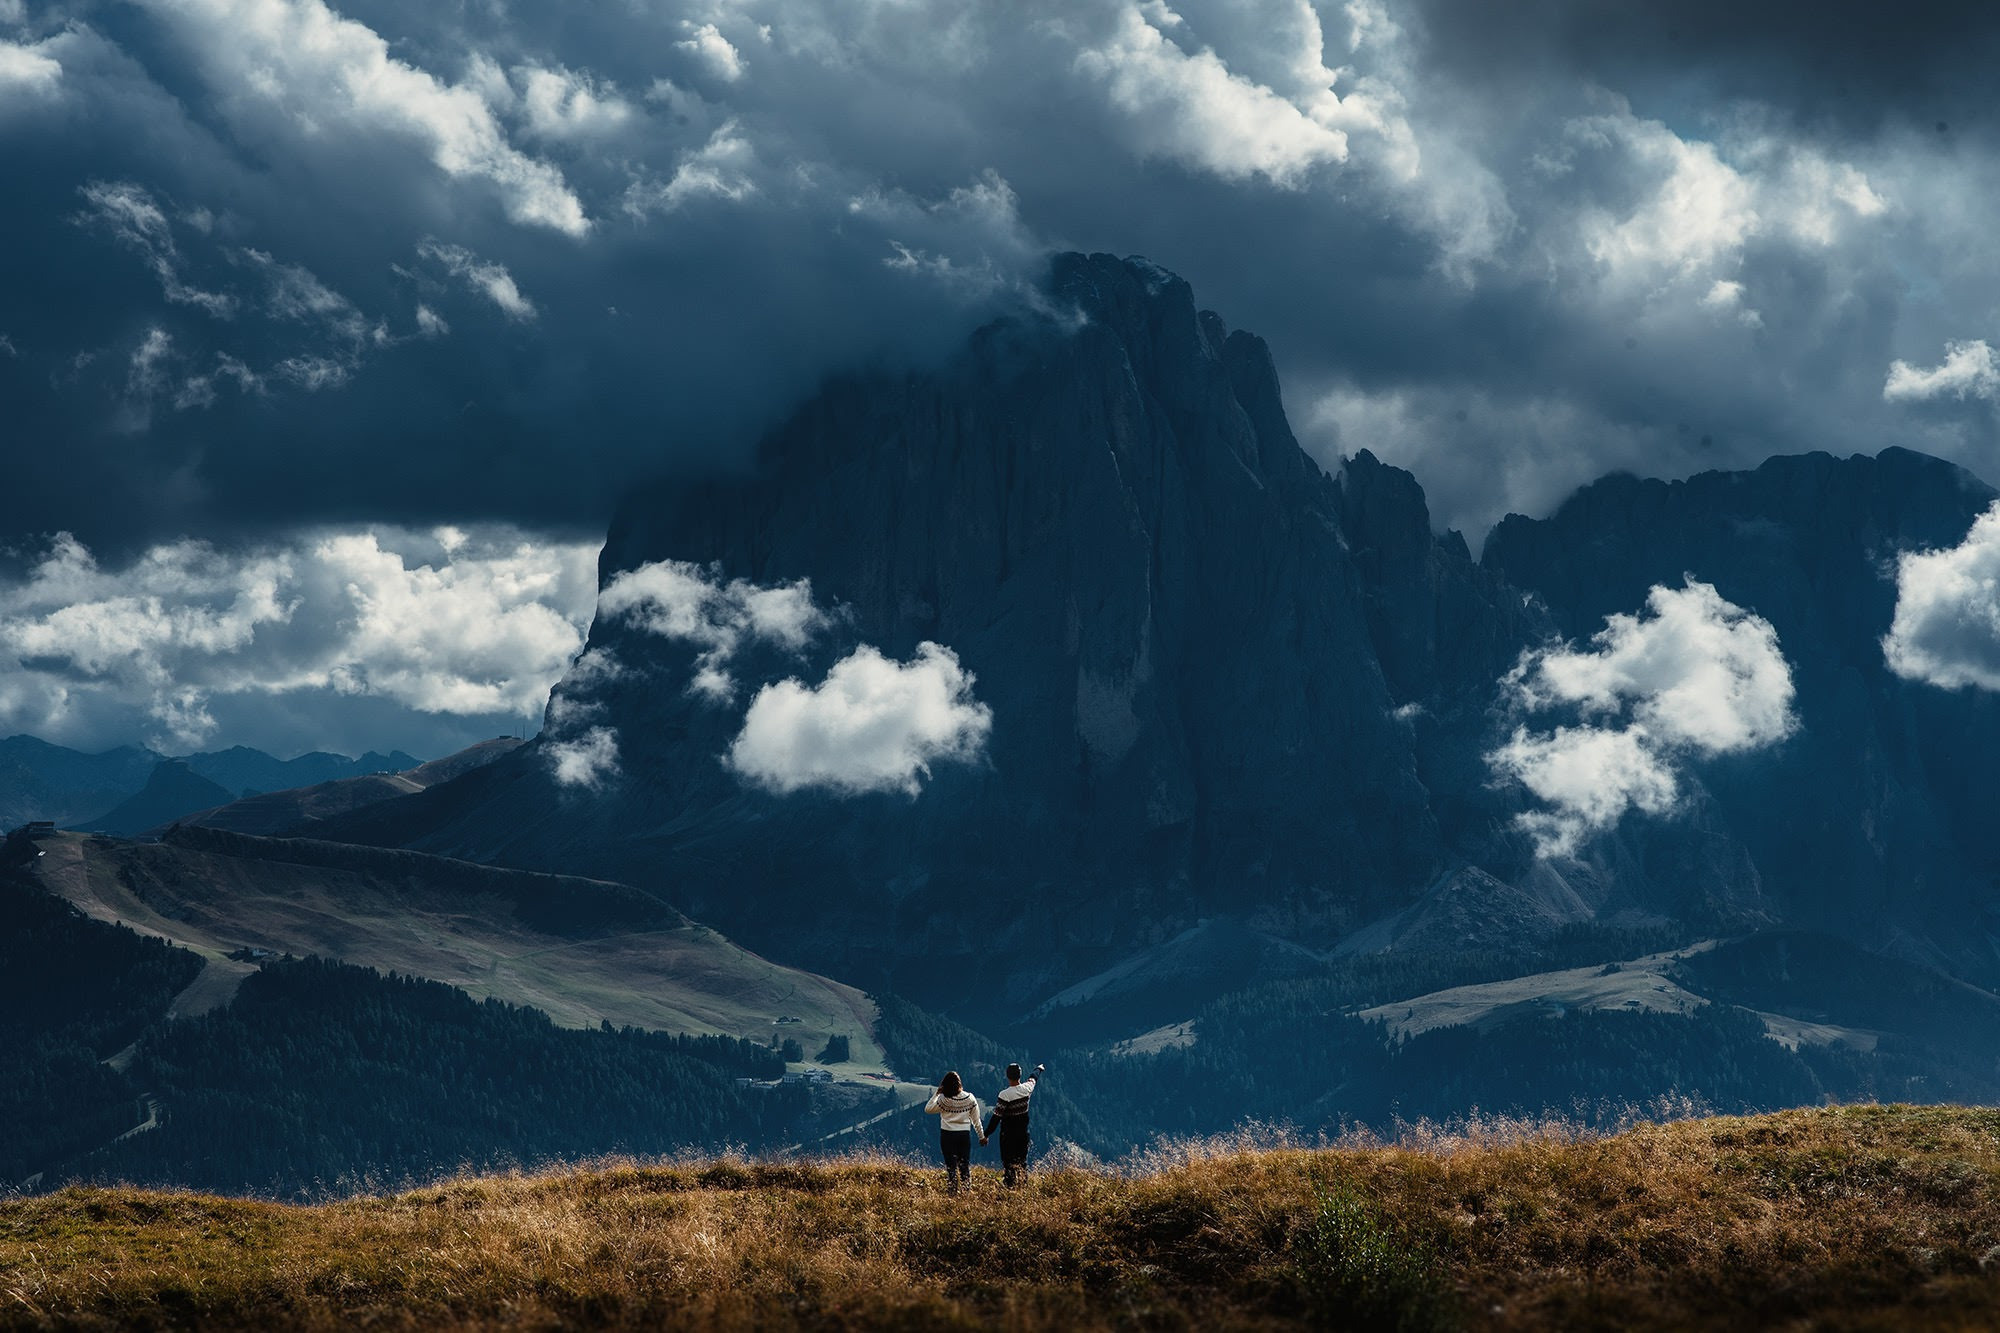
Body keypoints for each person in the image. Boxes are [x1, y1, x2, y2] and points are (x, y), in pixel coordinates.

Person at [983, 1062, 1044, 1188]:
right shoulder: (1027, 1089)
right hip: (1023, 1133)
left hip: (1008, 1135)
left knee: (1008, 1163)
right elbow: (1033, 1078)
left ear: (1007, 1076)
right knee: (1022, 1162)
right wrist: (1039, 1068)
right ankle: (1023, 1187)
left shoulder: (1004, 1095)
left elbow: (996, 1117)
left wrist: (986, 1134)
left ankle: (1010, 1187)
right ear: (1020, 1075)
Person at [923, 1070, 983, 1193]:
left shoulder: (944, 1100)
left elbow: (928, 1109)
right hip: (964, 1135)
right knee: (964, 1165)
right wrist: (981, 1136)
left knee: (951, 1167)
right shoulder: (969, 1098)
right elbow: (976, 1121)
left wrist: (936, 1094)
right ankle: (966, 1192)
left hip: (947, 1135)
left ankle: (952, 1191)